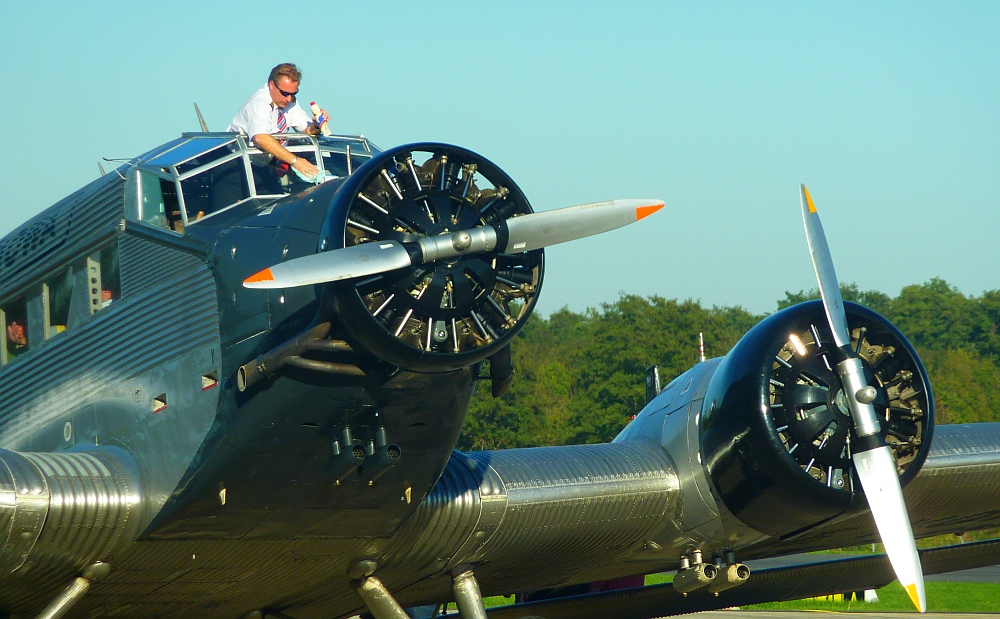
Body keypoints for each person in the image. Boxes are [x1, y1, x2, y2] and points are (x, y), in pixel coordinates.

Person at [229, 63, 329, 179]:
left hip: (264, 166)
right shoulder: (259, 104)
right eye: (285, 93)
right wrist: (295, 161)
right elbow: (260, 138)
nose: (289, 99)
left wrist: (317, 124)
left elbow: (306, 131)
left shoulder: (290, 103)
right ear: (272, 84)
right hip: (235, 167)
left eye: (293, 94)